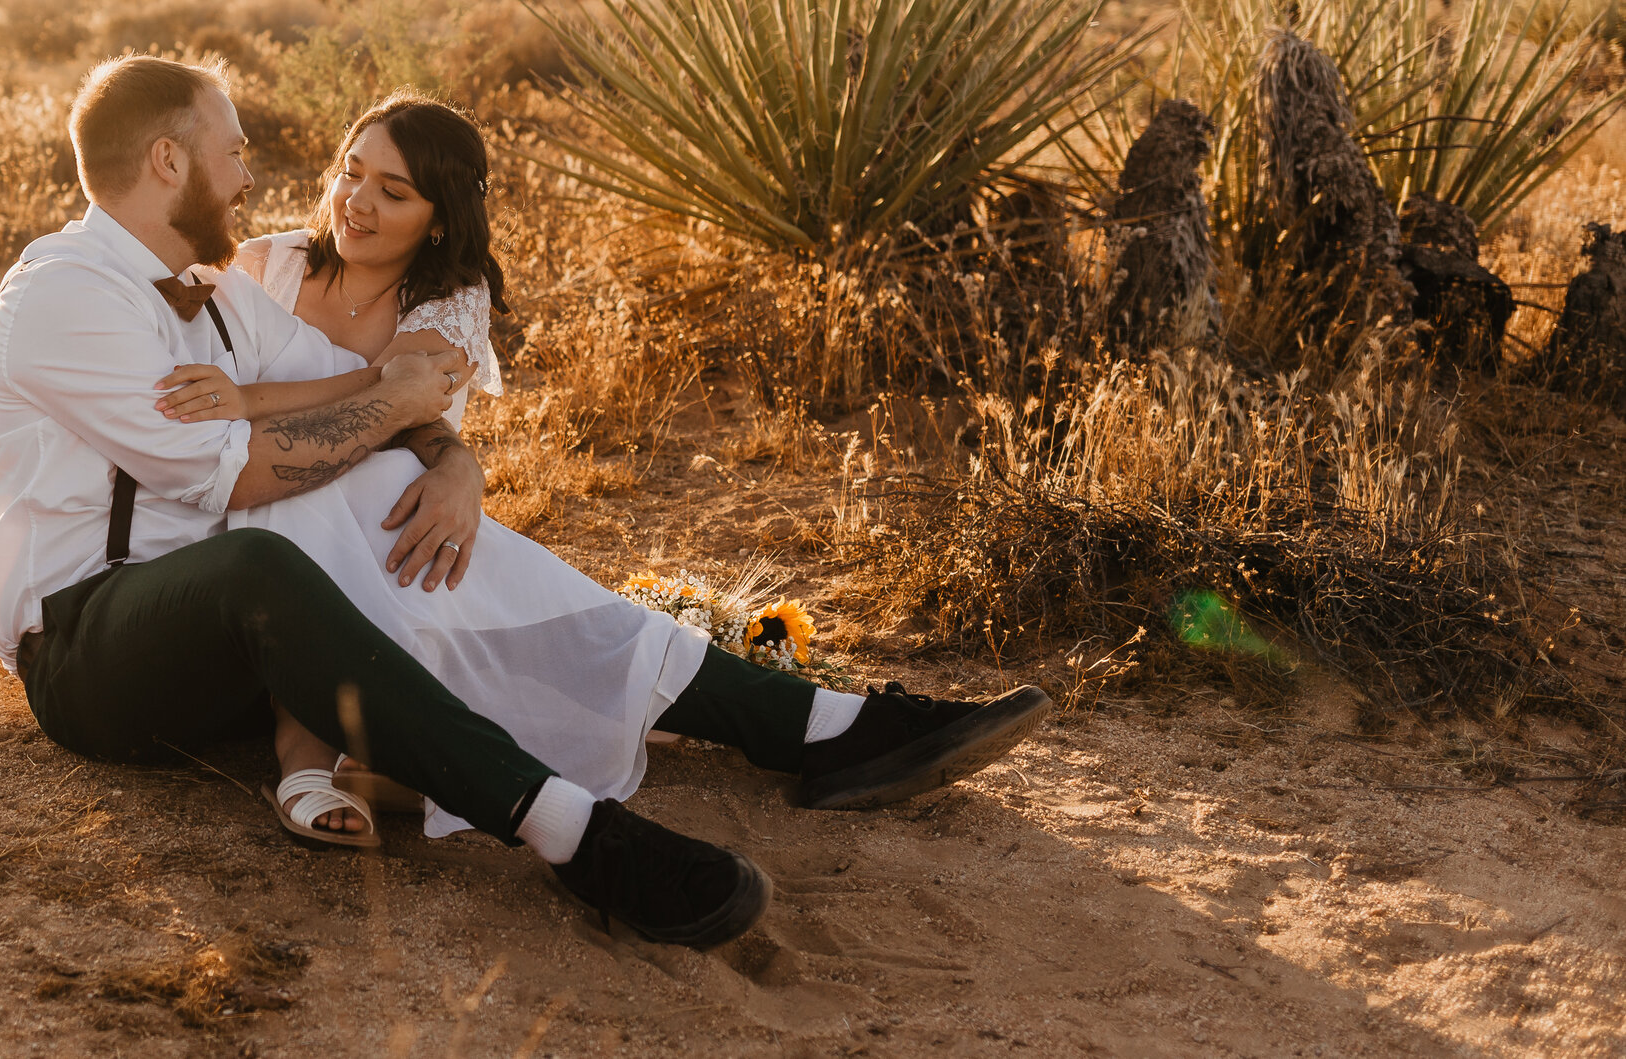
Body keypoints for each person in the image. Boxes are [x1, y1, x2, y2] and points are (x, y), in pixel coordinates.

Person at [0, 55, 1039, 951]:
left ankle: (813, 723)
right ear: (169, 162)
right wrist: (388, 399)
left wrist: (452, 458)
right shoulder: (67, 293)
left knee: (385, 481)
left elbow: (370, 396)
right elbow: (237, 471)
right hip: (88, 648)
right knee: (268, 543)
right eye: (234, 150)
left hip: (218, 656)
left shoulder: (215, 299)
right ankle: (574, 832)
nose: (253, 175)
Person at [150, 94, 1053, 844]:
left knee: (452, 545)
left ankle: (819, 724)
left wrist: (452, 458)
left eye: (393, 190)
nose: (355, 201)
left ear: (438, 220)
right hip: (272, 532)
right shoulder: (262, 264)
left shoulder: (447, 298)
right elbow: (346, 398)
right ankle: (818, 725)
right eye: (350, 171)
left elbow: (406, 398)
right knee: (422, 531)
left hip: (390, 545)